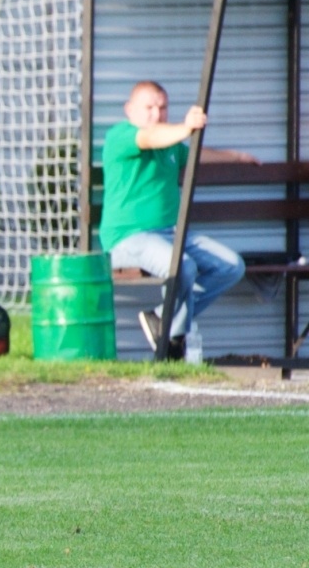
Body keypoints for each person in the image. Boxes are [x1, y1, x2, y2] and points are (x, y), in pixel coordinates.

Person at [101, 80, 257, 361]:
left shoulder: (171, 146)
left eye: (162, 107)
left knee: (231, 266)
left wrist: (236, 156)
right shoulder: (121, 135)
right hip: (128, 237)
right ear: (129, 110)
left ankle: (163, 319)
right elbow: (149, 137)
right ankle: (172, 337)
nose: (157, 114)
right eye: (149, 107)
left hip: (171, 233)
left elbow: (195, 154)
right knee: (183, 266)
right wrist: (186, 127)